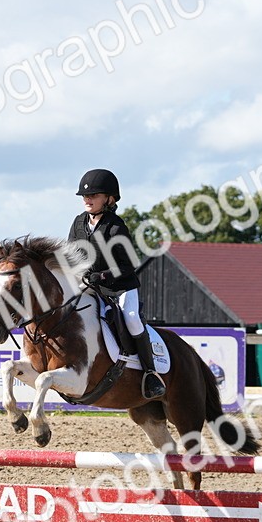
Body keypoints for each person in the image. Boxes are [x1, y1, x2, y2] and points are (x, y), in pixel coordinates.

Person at [68, 168, 165, 398]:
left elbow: (126, 266)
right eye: (85, 196)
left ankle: (150, 374)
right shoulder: (78, 223)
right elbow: (69, 255)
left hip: (120, 286)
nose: (87, 199)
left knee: (131, 319)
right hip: (89, 286)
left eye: (93, 195)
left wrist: (101, 276)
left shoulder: (115, 226)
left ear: (109, 199)